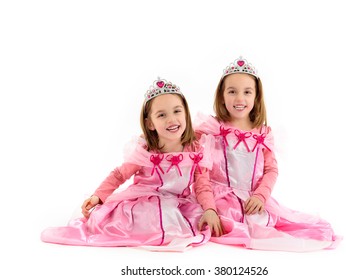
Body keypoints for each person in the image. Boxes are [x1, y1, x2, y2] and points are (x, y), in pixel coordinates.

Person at [41, 77, 221, 251]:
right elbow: (119, 175)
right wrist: (98, 196)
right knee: (152, 214)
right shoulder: (145, 151)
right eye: (161, 115)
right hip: (145, 201)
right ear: (150, 124)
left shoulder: (197, 150)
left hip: (178, 203)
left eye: (177, 111)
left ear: (185, 113)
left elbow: (202, 186)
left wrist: (210, 209)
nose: (171, 120)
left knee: (190, 217)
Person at [194, 57, 341, 252]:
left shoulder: (263, 134)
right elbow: (200, 172)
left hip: (252, 200)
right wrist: (209, 207)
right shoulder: (211, 130)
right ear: (221, 96)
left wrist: (260, 197)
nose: (240, 99)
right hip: (219, 198)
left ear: (256, 97)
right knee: (223, 224)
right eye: (232, 92)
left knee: (267, 227)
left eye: (247, 92)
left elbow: (271, 170)